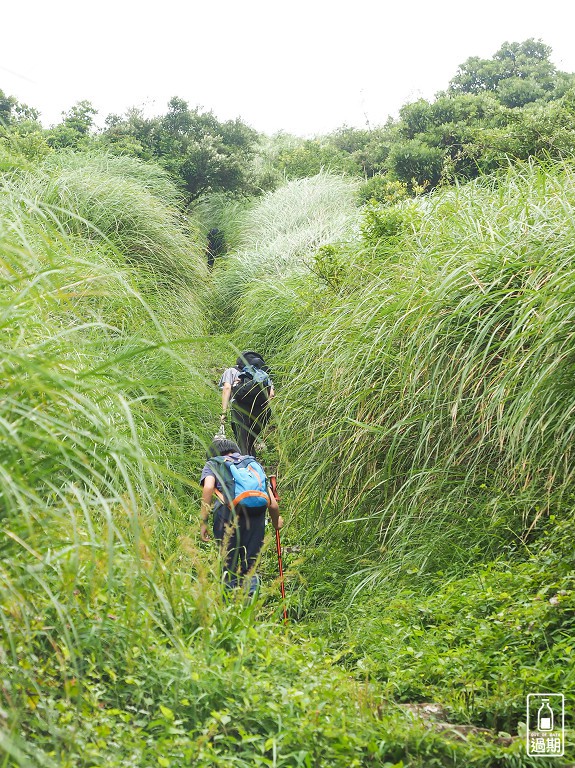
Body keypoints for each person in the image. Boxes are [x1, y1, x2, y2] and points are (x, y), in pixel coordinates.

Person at [199, 438, 283, 594]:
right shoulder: (252, 464)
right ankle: (250, 607)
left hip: (227, 516)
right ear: (236, 450)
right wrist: (276, 520)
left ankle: (230, 609)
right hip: (256, 517)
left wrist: (203, 521)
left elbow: (209, 486)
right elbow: (272, 504)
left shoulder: (213, 463)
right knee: (251, 567)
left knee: (228, 565)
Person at [219, 351, 274, 457]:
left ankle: (246, 466)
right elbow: (271, 395)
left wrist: (224, 412)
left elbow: (227, 388)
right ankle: (253, 462)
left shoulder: (231, 371)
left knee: (242, 443)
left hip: (240, 410)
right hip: (261, 410)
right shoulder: (263, 374)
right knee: (250, 442)